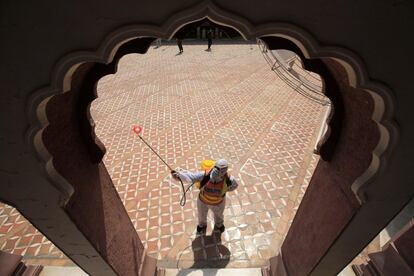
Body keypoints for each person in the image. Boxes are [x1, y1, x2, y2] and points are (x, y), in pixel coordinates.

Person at [171, 159, 238, 234]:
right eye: (216, 167)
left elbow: (235, 185)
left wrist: (225, 189)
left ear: (225, 171)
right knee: (201, 214)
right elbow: (191, 176)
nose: (216, 171)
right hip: (203, 201)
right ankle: (202, 225)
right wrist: (178, 175)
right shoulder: (205, 175)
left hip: (218, 203)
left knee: (219, 215)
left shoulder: (228, 179)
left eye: (220, 170)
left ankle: (219, 224)